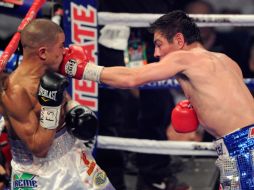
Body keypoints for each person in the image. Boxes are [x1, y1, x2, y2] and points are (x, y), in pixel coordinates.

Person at [60, 10, 254, 190]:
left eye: (159, 44)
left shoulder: (184, 58)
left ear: (179, 40)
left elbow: (131, 78)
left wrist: (81, 69)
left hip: (242, 146)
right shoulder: (226, 60)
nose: (156, 53)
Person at [0, 19, 115, 190]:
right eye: (61, 46)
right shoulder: (16, 91)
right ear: (43, 52)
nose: (65, 51)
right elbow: (39, 148)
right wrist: (51, 107)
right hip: (41, 177)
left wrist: (75, 108)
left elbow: (63, 101)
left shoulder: (49, 73)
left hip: (76, 157)